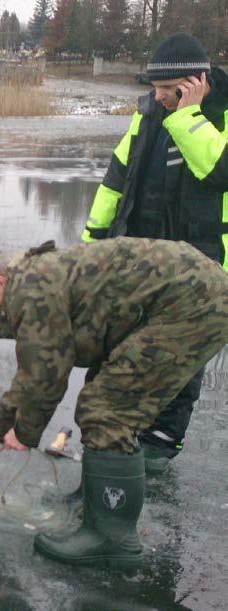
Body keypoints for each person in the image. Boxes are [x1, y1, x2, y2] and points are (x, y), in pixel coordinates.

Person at [0, 238, 228, 566]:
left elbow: (46, 376)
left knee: (108, 409)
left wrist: (23, 432)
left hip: (191, 303)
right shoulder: (37, 275)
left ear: (0, 281)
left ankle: (111, 538)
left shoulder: (29, 288)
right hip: (190, 293)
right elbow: (34, 371)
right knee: (101, 389)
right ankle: (94, 504)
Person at [81, 32, 228, 473]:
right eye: (156, 90)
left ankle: (161, 446)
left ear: (195, 82)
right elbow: (115, 181)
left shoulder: (218, 116)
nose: (159, 98)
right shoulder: (146, 114)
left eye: (168, 91)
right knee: (121, 349)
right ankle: (116, 442)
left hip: (203, 262)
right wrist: (93, 247)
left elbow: (219, 170)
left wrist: (188, 117)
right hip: (139, 257)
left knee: (180, 357)